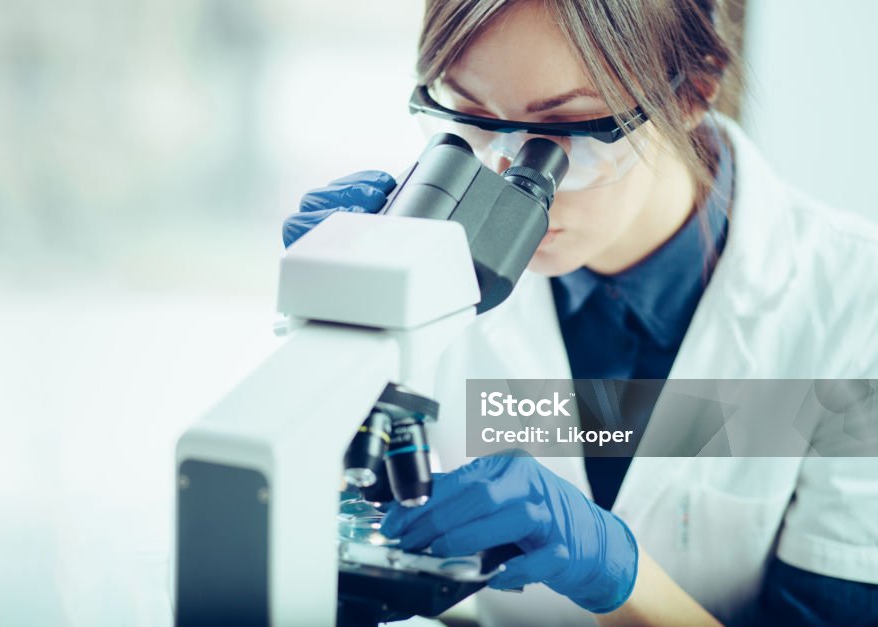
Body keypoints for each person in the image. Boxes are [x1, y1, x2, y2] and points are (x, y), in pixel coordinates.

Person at [283, 1, 878, 625]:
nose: (509, 171)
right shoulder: (424, 257)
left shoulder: (852, 304)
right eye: (472, 116)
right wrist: (332, 323)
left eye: (567, 127)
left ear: (693, 92)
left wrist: (621, 576)